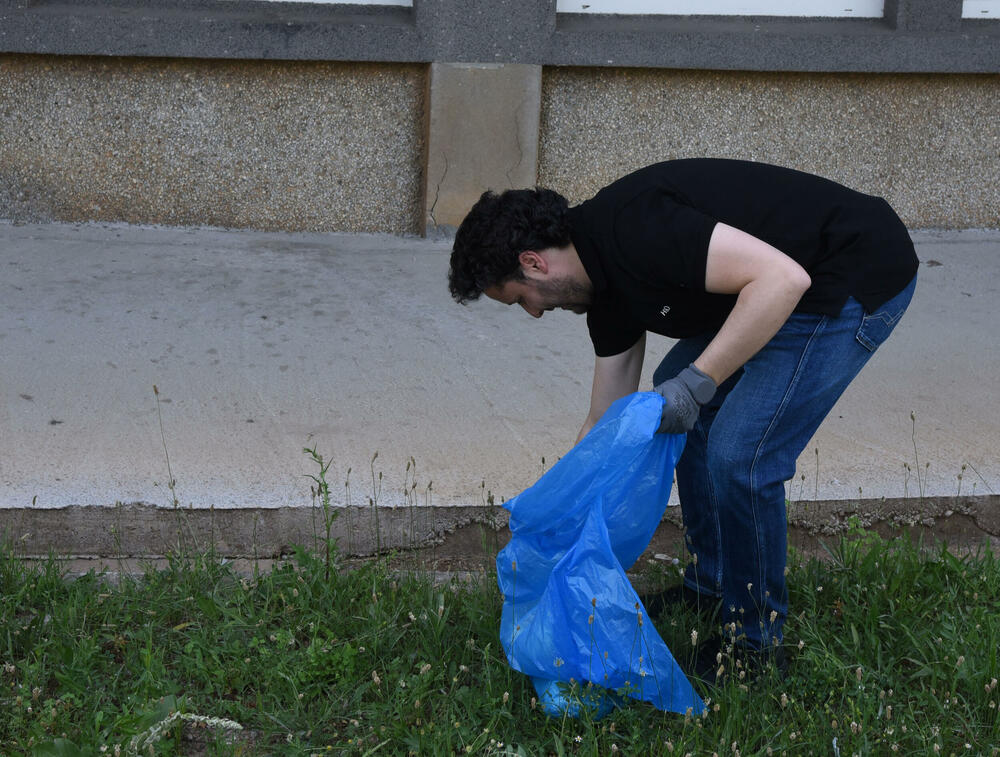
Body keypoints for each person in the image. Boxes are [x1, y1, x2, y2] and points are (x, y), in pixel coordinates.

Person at [447, 158, 918, 681]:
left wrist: (698, 385)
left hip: (849, 274)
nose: (533, 313)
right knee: (678, 401)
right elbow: (606, 416)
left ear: (533, 263)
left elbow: (783, 278)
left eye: (519, 300)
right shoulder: (602, 288)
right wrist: (558, 512)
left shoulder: (636, 228)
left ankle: (755, 646)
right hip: (785, 283)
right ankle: (711, 585)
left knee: (741, 453)